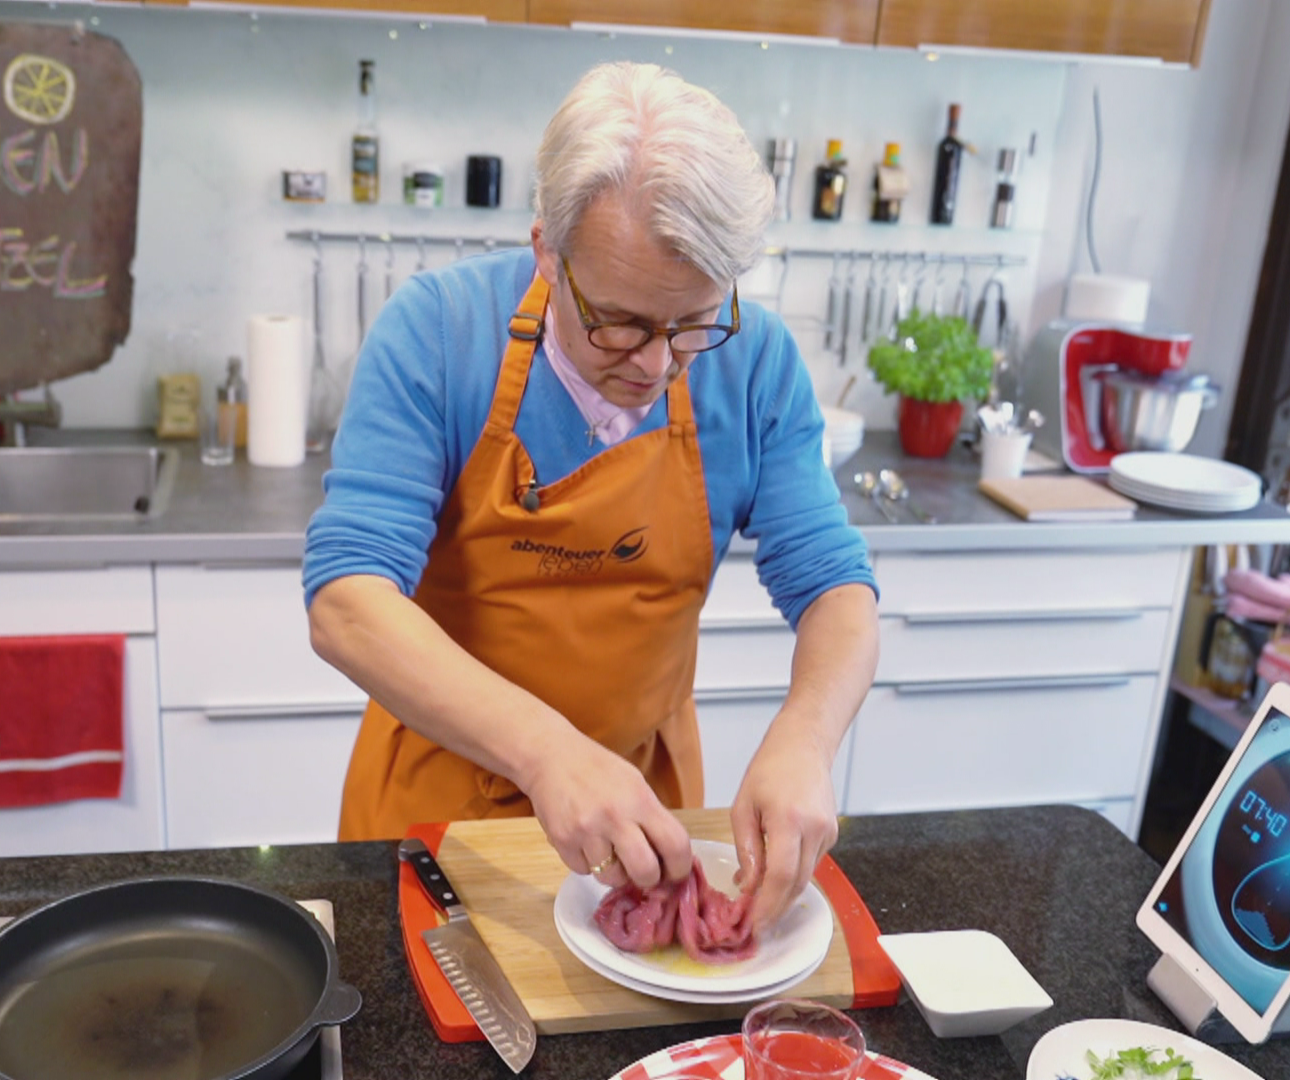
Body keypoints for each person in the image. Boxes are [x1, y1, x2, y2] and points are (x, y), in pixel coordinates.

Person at [304, 62, 878, 930]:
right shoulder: (438, 331)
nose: (655, 365)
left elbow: (836, 585)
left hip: (648, 817)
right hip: (437, 814)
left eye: (690, 323)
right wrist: (546, 753)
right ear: (547, 249)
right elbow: (347, 602)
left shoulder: (754, 361)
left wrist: (805, 741)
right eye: (619, 322)